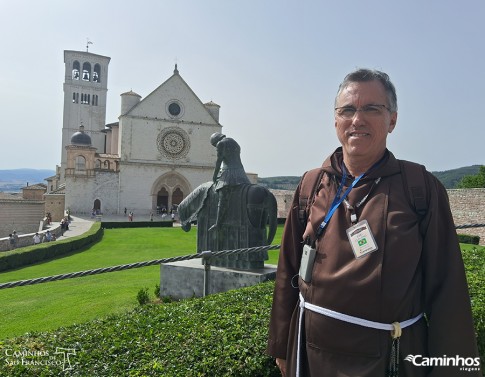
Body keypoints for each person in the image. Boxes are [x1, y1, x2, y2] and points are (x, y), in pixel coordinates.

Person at [267, 69, 480, 377]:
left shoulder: (420, 188)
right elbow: (288, 270)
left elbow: (448, 289)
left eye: (371, 109)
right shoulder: (311, 185)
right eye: (347, 110)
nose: (357, 119)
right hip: (312, 354)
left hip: (389, 358)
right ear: (335, 120)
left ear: (392, 119)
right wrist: (281, 346)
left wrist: (454, 370)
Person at [208, 132, 251, 231]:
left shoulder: (221, 144)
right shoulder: (234, 142)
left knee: (222, 195)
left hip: (230, 172)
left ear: (215, 141)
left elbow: (219, 161)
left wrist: (214, 176)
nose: (215, 147)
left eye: (214, 145)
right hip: (241, 172)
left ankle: (218, 224)